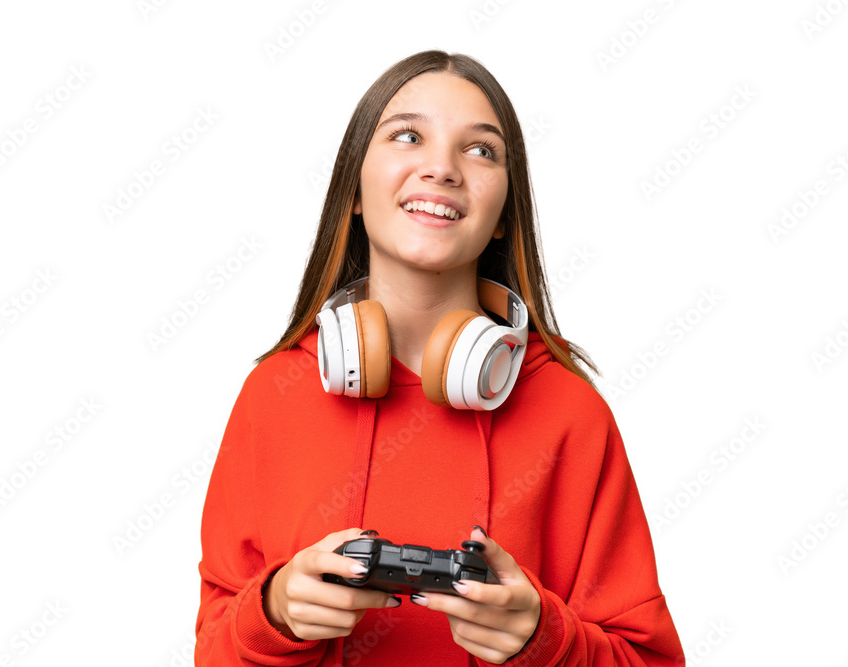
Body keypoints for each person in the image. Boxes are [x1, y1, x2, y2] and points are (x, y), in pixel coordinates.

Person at [194, 49, 685, 666]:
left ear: (505, 214)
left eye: (480, 150)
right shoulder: (274, 394)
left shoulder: (570, 412)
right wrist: (275, 616)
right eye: (407, 136)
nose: (441, 168)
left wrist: (546, 641)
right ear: (353, 190)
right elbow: (212, 650)